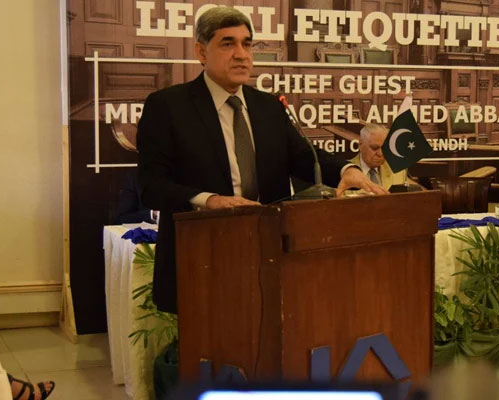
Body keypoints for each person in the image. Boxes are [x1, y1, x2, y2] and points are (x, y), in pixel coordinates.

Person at [137, 7, 385, 313]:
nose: (242, 54)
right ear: (202, 52)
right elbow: (151, 185)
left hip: (267, 250)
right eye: (228, 44)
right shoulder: (168, 106)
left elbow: (304, 157)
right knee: (211, 353)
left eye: (247, 44)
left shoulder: (267, 106)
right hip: (202, 255)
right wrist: (209, 200)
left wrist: (347, 170)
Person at [350, 123, 417, 191]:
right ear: (360, 145)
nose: (380, 153)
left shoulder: (397, 171)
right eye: (375, 148)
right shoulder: (345, 172)